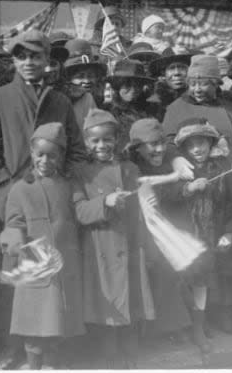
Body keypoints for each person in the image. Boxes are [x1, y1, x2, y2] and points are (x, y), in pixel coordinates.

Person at [0, 29, 85, 223]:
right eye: (22, 57)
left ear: (47, 59)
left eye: (35, 56)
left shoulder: (60, 101)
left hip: (56, 200)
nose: (28, 63)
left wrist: (66, 185)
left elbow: (76, 150)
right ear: (14, 62)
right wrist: (6, 187)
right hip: (12, 200)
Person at [72, 109, 154, 368]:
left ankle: (129, 351)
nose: (101, 145)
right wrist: (104, 202)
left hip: (129, 242)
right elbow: (80, 211)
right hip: (101, 245)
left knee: (131, 297)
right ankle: (111, 355)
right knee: (107, 302)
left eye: (107, 139)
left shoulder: (130, 168)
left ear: (117, 139)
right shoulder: (81, 172)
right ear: (86, 142)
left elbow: (143, 204)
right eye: (94, 141)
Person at [2, 123, 85, 369]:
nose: (45, 160)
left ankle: (52, 365)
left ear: (61, 156)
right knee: (33, 324)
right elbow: (13, 224)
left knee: (56, 323)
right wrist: (14, 250)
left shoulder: (68, 185)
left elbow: (79, 215)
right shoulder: (20, 188)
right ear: (31, 153)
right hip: (33, 266)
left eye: (52, 155)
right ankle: (33, 365)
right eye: (40, 154)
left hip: (62, 264)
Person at [171, 119, 232, 361]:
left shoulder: (221, 170)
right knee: (182, 282)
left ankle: (199, 326)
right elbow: (165, 199)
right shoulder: (177, 170)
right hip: (181, 237)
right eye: (191, 146)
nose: (197, 150)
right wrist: (187, 189)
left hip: (208, 236)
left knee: (201, 282)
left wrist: (229, 232)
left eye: (201, 143)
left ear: (210, 144)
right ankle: (184, 325)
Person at [124, 119, 193, 346]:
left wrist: (176, 159)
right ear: (136, 148)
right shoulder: (129, 166)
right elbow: (140, 182)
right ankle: (149, 331)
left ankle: (175, 326)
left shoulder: (169, 159)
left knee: (169, 276)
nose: (160, 149)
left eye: (162, 143)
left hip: (167, 228)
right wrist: (175, 176)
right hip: (139, 231)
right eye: (152, 145)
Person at [162, 54, 232, 159]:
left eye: (203, 84)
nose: (197, 89)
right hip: (200, 172)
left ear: (216, 84)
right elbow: (168, 143)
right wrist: (177, 159)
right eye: (192, 84)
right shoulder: (176, 108)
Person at [104, 59, 160, 148]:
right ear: (117, 86)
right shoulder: (107, 113)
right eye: (127, 85)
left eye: (137, 85)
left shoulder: (152, 110)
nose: (133, 90)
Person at [63, 38, 107, 127]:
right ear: (68, 77)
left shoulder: (88, 98)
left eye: (90, 76)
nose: (87, 81)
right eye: (80, 76)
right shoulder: (56, 98)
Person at [147, 47, 194, 113]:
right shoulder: (154, 103)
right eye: (171, 68)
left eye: (182, 67)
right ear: (164, 73)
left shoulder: (200, 98)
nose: (177, 73)